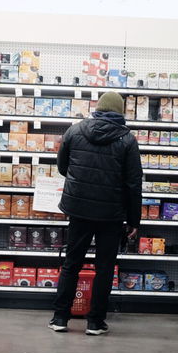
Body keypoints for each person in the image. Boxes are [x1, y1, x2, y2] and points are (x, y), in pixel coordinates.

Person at [51, 92, 142, 335]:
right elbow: (133, 183)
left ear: (98, 108)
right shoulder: (128, 140)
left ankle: (60, 318)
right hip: (111, 214)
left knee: (72, 263)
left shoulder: (75, 130)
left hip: (79, 210)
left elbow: (62, 167)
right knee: (104, 267)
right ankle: (95, 322)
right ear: (120, 112)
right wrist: (134, 220)